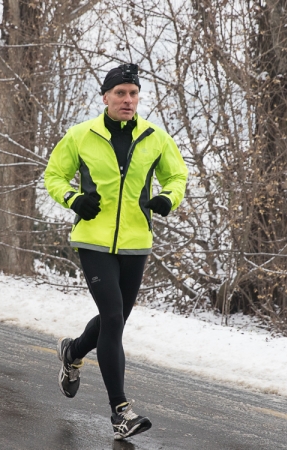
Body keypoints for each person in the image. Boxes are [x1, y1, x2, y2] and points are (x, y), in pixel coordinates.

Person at [44, 63, 188, 440]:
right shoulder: (80, 136)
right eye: (120, 93)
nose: (127, 100)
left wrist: (167, 199)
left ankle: (73, 351)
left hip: (136, 243)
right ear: (105, 97)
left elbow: (178, 176)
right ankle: (120, 413)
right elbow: (53, 176)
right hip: (93, 239)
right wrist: (74, 199)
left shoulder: (155, 138)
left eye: (133, 93)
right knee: (111, 316)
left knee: (116, 320)